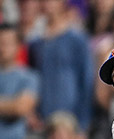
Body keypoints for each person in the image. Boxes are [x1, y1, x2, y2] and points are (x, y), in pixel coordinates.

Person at [29, 0, 94, 131]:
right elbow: (31, 78)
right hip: (42, 120)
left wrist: (83, 123)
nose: (47, 4)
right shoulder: (35, 41)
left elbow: (87, 81)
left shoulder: (77, 39)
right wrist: (31, 113)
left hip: (71, 120)